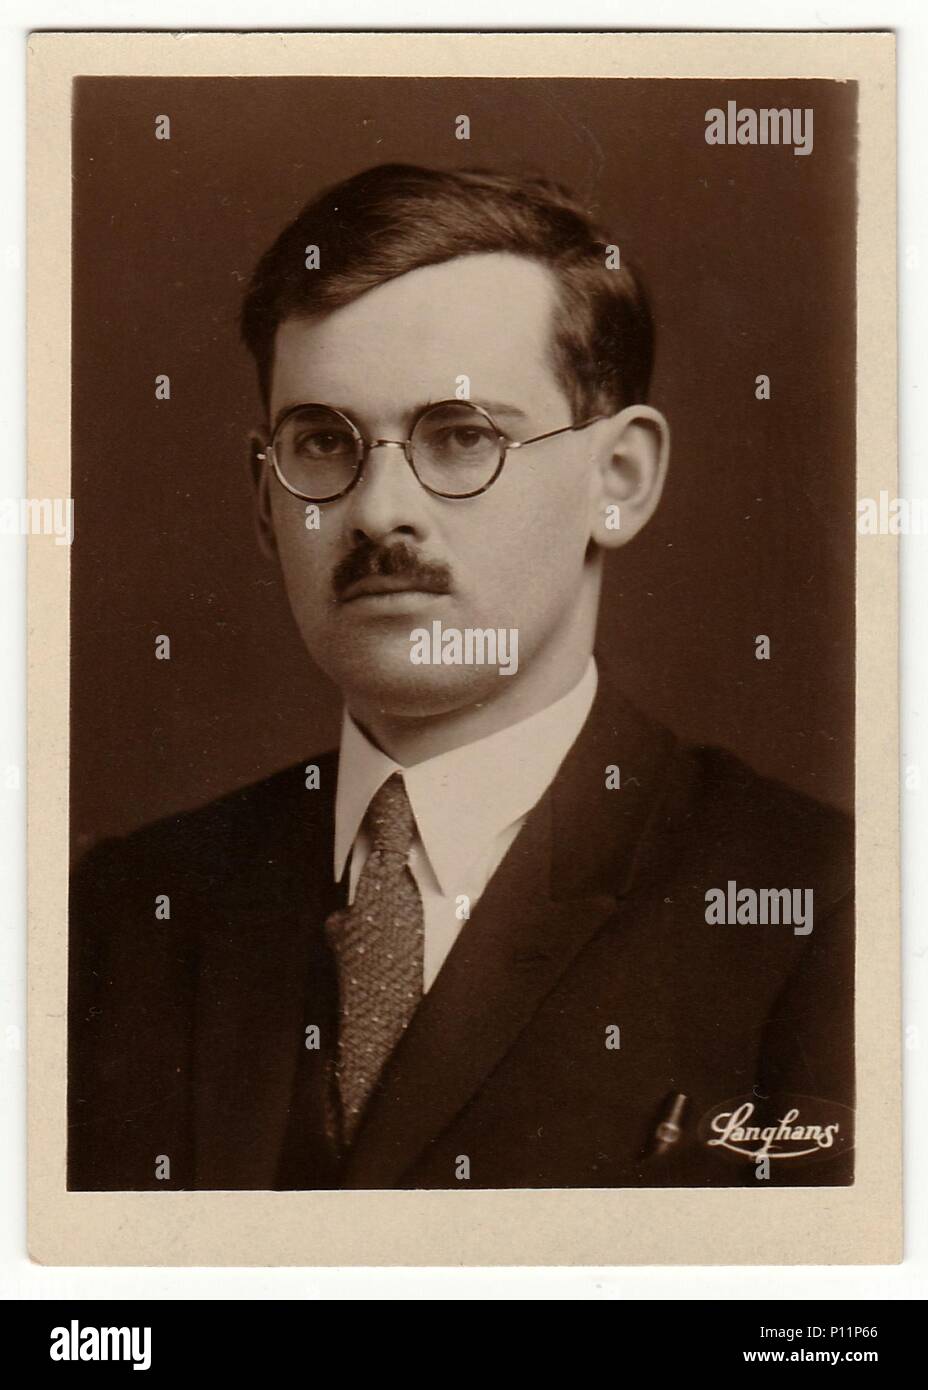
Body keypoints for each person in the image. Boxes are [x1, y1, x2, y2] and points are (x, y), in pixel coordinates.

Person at [68, 164, 854, 1191]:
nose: (378, 510)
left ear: (617, 480)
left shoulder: (827, 910)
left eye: (462, 436)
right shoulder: (115, 915)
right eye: (321, 443)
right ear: (265, 504)